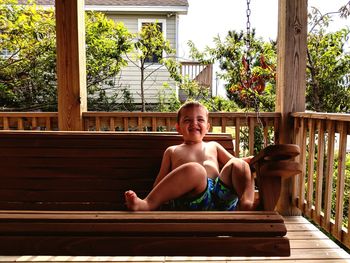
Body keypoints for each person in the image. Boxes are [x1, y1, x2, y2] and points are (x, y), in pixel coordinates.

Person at [125, 101, 255, 211]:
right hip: (191, 199)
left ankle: (247, 203)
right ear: (178, 128)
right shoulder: (172, 151)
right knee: (196, 170)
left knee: (239, 164)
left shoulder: (213, 146)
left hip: (220, 197)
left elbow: (233, 164)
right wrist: (159, 198)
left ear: (207, 127)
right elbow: (161, 181)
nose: (194, 123)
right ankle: (146, 204)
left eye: (200, 119)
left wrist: (250, 160)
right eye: (187, 120)